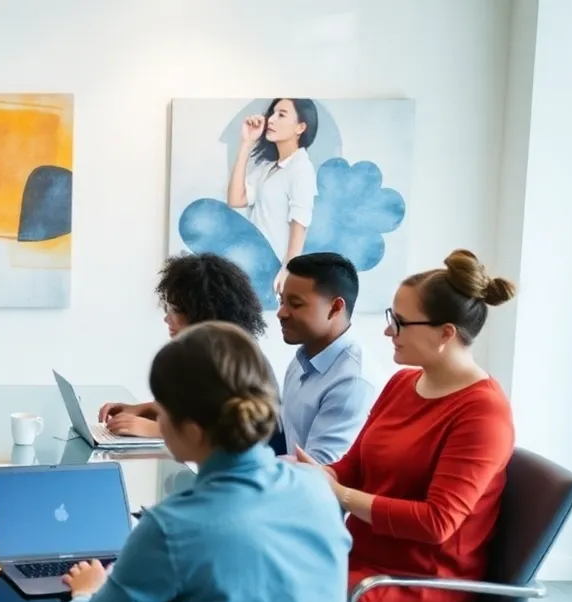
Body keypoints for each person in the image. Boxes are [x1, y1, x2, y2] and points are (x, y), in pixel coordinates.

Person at [14, 322, 350, 602]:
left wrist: (84, 593)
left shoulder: (172, 528)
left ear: (191, 429)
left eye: (162, 411)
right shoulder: (315, 489)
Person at [297, 250, 517, 602]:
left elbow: (437, 523)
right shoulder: (402, 384)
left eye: (399, 323)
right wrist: (317, 473)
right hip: (357, 567)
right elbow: (355, 467)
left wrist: (340, 495)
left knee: (263, 595)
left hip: (412, 592)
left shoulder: (483, 413)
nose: (388, 332)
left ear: (445, 333)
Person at [97, 253, 266, 439]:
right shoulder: (203, 357)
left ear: (205, 314)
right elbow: (196, 411)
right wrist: (142, 410)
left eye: (176, 310)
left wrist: (154, 429)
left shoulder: (237, 366)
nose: (166, 318)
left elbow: (229, 431)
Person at [276, 252, 372, 464]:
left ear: (335, 308)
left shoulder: (352, 380)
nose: (281, 313)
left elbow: (320, 470)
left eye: (295, 303)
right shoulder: (302, 358)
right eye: (281, 301)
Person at [227, 98, 320, 295]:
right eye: (272, 113)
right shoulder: (268, 168)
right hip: (255, 263)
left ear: (300, 127)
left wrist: (288, 269)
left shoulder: (301, 168)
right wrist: (246, 143)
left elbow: (300, 222)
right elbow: (236, 199)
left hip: (275, 268)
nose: (271, 119)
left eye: (282, 115)